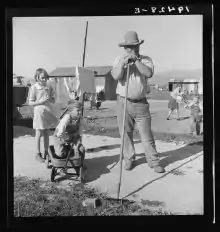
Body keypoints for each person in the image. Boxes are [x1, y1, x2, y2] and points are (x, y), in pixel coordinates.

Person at [111, 31, 165, 173]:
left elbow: (148, 73)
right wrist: (123, 64)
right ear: (124, 48)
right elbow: (116, 76)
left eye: (133, 47)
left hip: (141, 103)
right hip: (123, 102)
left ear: (138, 47)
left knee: (146, 135)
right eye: (128, 47)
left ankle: (154, 161)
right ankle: (129, 159)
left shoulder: (146, 59)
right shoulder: (119, 59)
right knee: (125, 134)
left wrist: (136, 61)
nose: (130, 50)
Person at [29, 68, 58, 162]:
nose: (45, 79)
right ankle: (38, 154)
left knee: (46, 133)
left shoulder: (49, 87)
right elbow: (31, 102)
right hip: (39, 113)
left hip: (47, 112)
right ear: (37, 77)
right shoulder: (34, 87)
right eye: (42, 77)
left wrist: (50, 99)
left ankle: (46, 152)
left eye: (46, 77)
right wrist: (41, 101)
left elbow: (53, 100)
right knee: (39, 133)